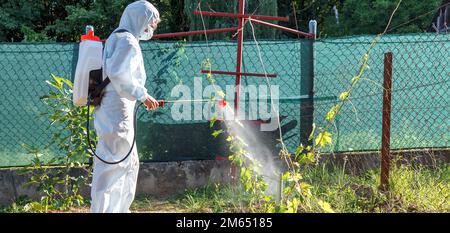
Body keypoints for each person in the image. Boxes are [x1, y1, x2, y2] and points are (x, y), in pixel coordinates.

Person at [90, 0, 161, 213]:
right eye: (151, 23)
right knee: (114, 163)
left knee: (128, 162)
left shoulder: (117, 37)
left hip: (117, 108)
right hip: (117, 110)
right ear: (141, 19)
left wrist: (140, 95)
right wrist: (143, 95)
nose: (151, 29)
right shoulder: (127, 41)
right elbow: (119, 73)